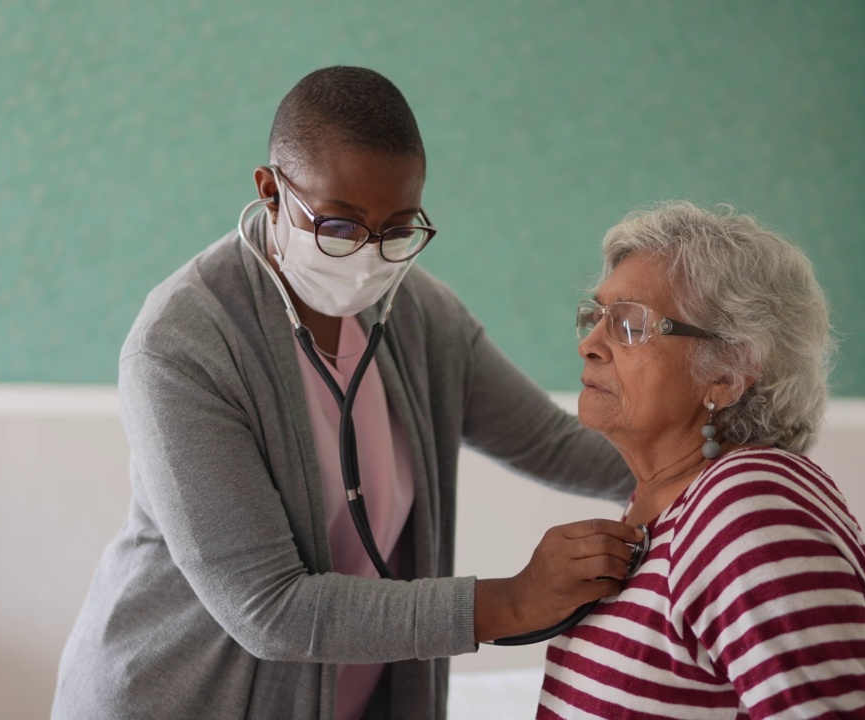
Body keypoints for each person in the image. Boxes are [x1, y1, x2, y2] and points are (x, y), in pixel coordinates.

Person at [52, 66, 640, 720]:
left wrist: (714, 469)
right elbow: (269, 608)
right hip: (175, 698)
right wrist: (512, 601)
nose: (369, 257)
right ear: (270, 191)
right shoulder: (183, 342)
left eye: (396, 230)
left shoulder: (419, 317)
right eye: (339, 226)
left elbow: (553, 443)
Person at [539, 202, 865, 719]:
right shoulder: (667, 504)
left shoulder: (749, 505)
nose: (589, 344)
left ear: (728, 374)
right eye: (595, 317)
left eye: (629, 324)